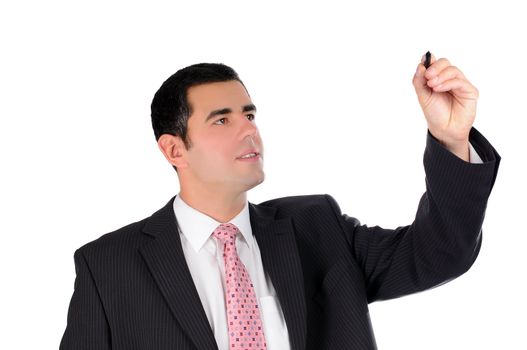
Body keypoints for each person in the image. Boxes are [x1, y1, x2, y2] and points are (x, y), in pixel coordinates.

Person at [59, 54, 501, 350]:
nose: (248, 130)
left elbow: (440, 254)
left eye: (249, 115)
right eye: (222, 119)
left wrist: (451, 138)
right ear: (175, 150)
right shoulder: (108, 267)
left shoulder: (317, 228)